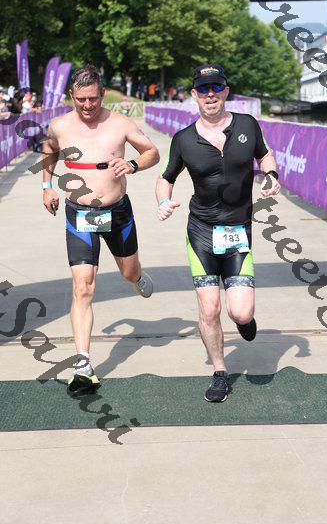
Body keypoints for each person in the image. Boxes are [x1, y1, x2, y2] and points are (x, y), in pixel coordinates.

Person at [156, 64, 280, 403]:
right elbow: (166, 177)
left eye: (216, 87)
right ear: (194, 95)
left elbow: (265, 154)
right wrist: (163, 202)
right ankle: (220, 371)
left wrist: (271, 174)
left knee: (240, 312)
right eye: (203, 88)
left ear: (225, 91)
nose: (210, 94)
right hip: (201, 232)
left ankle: (244, 320)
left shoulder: (247, 125)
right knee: (209, 308)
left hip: (238, 231)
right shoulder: (184, 139)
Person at [42, 64, 160, 393]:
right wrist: (46, 187)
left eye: (93, 99)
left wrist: (133, 164)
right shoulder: (59, 126)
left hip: (117, 212)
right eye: (81, 99)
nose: (87, 105)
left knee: (128, 272)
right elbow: (49, 151)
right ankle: (83, 363)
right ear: (71, 96)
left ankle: (137, 277)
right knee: (83, 287)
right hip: (79, 213)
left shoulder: (120, 123)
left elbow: (152, 152)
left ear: (102, 94)